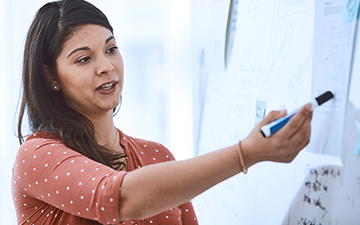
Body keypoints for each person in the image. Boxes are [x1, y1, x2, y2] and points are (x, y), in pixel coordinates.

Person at [11, 0, 313, 224]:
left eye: (111, 49)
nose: (106, 66)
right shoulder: (37, 155)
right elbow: (119, 197)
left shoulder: (156, 156)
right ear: (51, 77)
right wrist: (245, 154)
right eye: (83, 59)